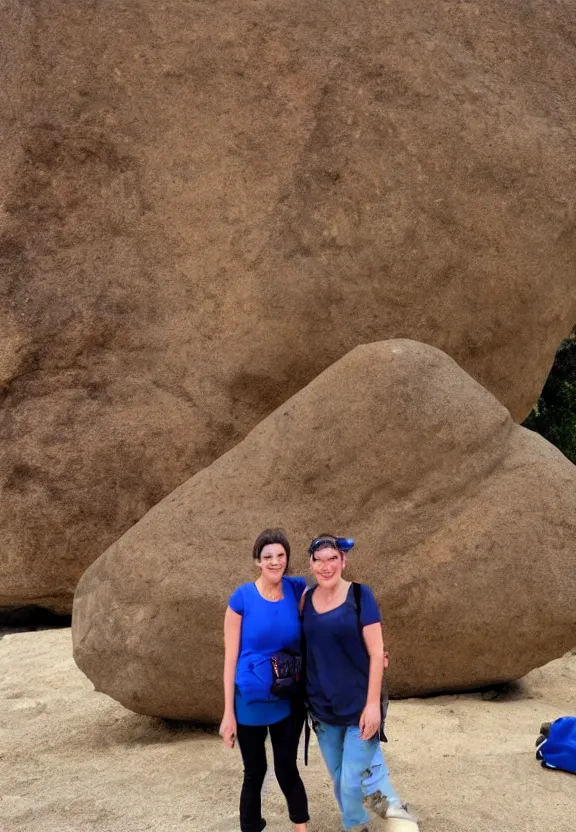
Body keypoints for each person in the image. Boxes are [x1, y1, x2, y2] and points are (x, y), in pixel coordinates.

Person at [301, 534, 418, 832]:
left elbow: (377, 652)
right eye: (319, 560)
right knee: (342, 777)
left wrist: (372, 707)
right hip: (322, 708)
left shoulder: (359, 595)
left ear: (343, 561)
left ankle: (365, 822)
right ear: (311, 563)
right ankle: (383, 814)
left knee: (351, 781)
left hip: (359, 706)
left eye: (332, 559)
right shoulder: (305, 600)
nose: (326, 567)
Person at [219, 528, 309, 832]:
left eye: (281, 555)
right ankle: (251, 827)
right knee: (254, 772)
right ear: (258, 560)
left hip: (287, 698)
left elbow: (329, 604)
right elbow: (230, 658)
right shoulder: (241, 597)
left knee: (286, 769)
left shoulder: (296, 590)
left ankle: (300, 827)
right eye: (268, 556)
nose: (275, 562)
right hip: (250, 701)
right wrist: (228, 714)